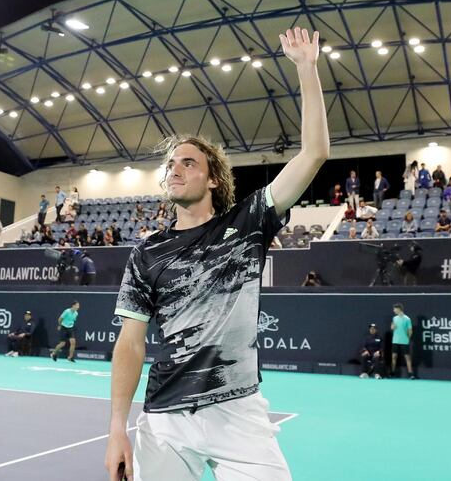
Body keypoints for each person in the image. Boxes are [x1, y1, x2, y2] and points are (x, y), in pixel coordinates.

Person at [106, 27, 328, 481]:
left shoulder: (248, 223)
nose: (175, 168)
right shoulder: (147, 251)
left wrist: (307, 68)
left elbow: (314, 153)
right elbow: (130, 342)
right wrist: (117, 428)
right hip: (166, 419)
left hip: (239, 412)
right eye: (171, 163)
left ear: (212, 179)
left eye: (189, 162)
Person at [390, 303, 415, 379]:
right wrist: (392, 327)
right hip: (395, 341)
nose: (393, 310)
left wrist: (407, 338)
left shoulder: (407, 319)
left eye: (394, 309)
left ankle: (411, 374)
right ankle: (392, 372)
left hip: (404, 341)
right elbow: (392, 327)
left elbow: (410, 330)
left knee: (407, 357)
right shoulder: (394, 318)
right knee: (394, 356)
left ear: (399, 309)